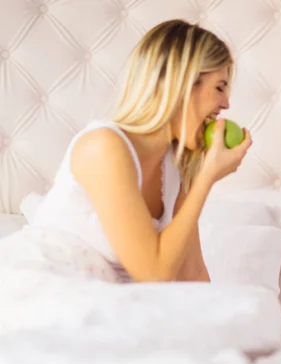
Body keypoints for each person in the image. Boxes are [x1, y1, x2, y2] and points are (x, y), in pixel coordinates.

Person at [0, 19, 252, 283]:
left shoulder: (176, 168)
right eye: (220, 87)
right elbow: (154, 273)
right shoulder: (104, 146)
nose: (226, 103)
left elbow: (192, 273)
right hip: (48, 286)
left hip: (110, 303)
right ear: (181, 83)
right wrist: (207, 178)